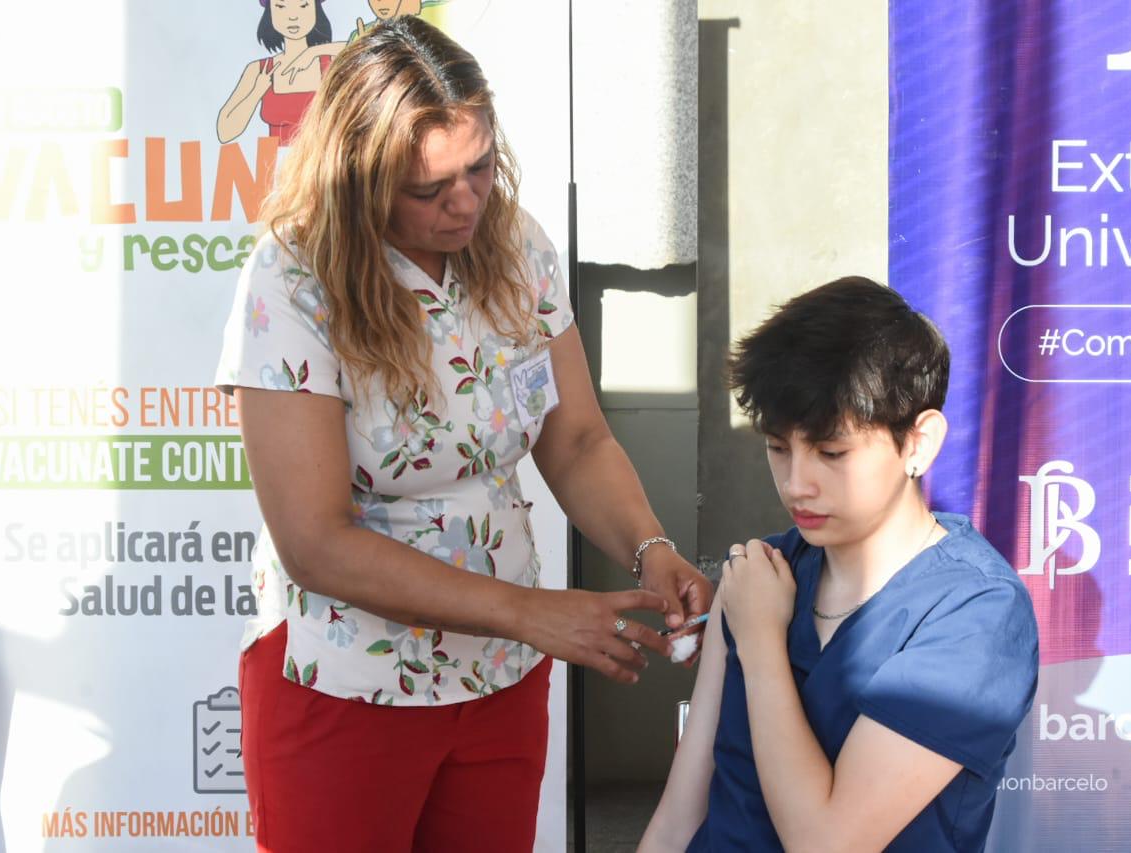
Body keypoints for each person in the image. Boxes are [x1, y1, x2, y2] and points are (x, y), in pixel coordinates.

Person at [215, 17, 710, 852]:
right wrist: (531, 613)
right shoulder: (292, 278)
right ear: (358, 177)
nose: (466, 200)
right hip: (344, 682)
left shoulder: (517, 247)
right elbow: (315, 542)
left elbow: (578, 440)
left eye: (480, 167)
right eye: (428, 186)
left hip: (500, 681)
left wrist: (649, 545)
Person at [641, 278, 1039, 852]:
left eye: (832, 453)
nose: (796, 483)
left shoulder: (974, 614)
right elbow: (680, 814)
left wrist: (760, 643)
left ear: (919, 443)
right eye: (778, 448)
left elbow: (827, 843)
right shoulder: (761, 573)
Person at [216, 0, 338, 146]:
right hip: (275, 165)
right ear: (270, 12)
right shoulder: (259, 69)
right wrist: (256, 92)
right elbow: (225, 132)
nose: (293, 16)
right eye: (281, 6)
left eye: (303, 5)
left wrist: (312, 52)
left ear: (316, 9)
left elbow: (358, 47)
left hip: (320, 164)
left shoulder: (331, 63)